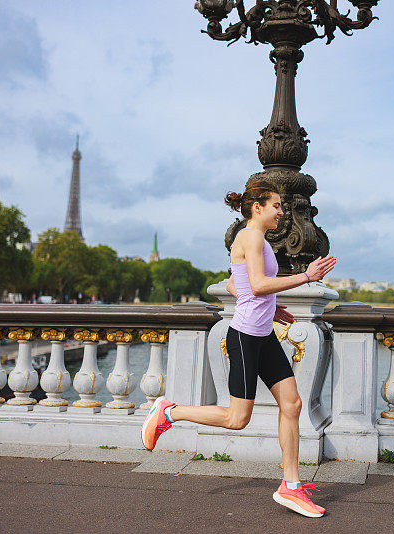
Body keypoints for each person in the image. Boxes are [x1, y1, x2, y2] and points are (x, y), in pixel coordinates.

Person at [141, 180, 336, 518]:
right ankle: (168, 413)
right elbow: (259, 284)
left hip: (262, 334)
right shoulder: (251, 236)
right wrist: (306, 276)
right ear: (257, 206)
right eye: (276, 205)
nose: (281, 212)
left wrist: (270, 308)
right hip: (245, 337)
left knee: (292, 403)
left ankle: (290, 486)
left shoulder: (251, 239)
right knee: (237, 418)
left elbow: (238, 284)